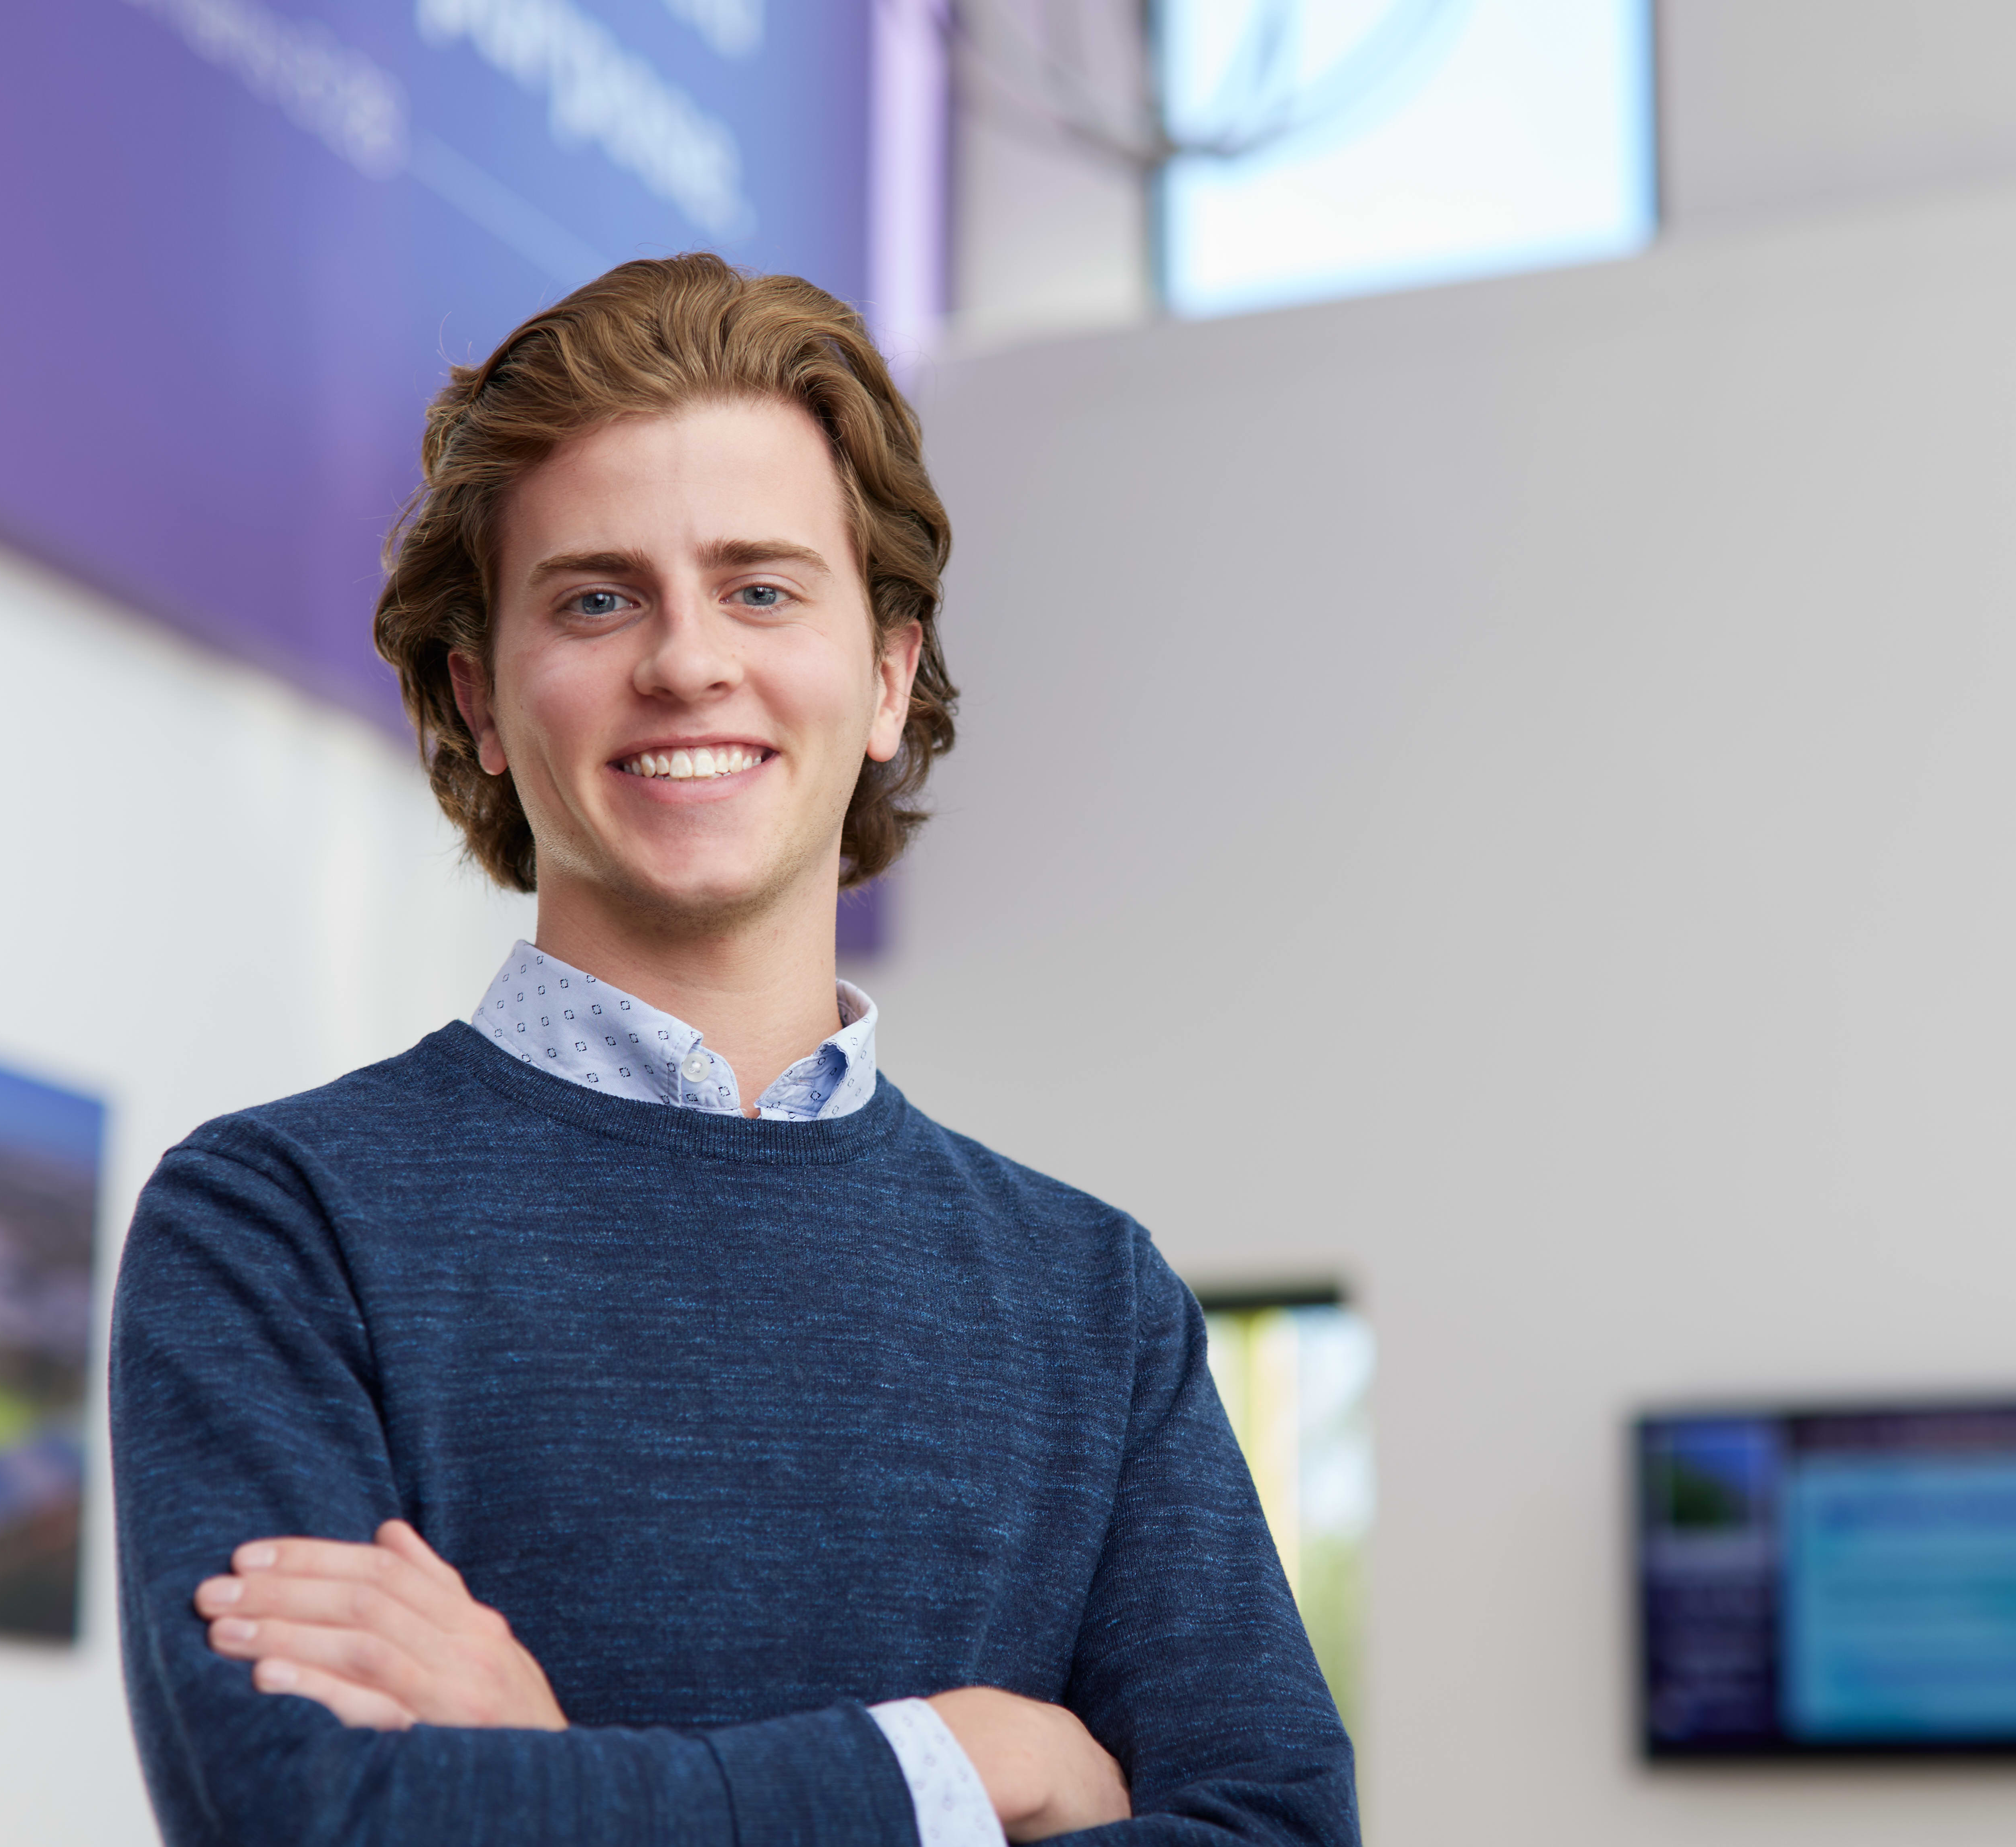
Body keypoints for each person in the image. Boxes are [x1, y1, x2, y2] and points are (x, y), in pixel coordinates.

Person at [108, 253, 1356, 1846]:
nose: (687, 660)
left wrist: (551, 1763)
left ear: (888, 675)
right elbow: (322, 1821)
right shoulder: (280, 1225)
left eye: (761, 588)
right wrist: (960, 1770)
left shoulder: (1092, 1301)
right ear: (482, 702)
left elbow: (1275, 1831)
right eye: (595, 597)